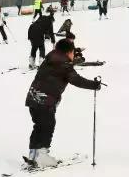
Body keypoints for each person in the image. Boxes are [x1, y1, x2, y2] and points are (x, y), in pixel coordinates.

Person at [24, 39, 103, 167]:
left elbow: (63, 68)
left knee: (39, 126)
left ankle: (34, 154)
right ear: (69, 52)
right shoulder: (63, 64)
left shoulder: (52, 58)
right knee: (47, 125)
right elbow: (76, 79)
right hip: (45, 101)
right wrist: (94, 85)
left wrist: (73, 61)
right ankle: (41, 156)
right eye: (73, 52)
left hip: (33, 99)